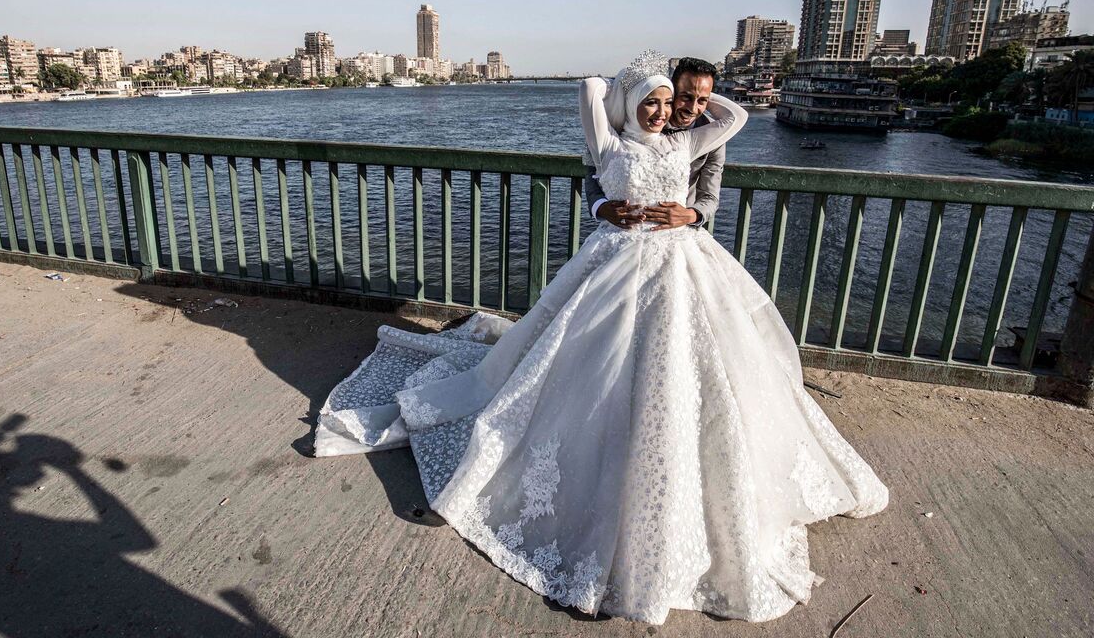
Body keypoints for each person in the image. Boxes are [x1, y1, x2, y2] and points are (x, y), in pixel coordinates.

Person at [316, 51, 888, 625]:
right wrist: (633, 114)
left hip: (684, 259)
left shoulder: (693, 141)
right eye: (668, 100)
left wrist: (692, 181)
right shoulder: (616, 141)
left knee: (701, 368)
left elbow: (719, 162)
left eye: (685, 101)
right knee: (584, 359)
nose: (676, 110)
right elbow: (595, 145)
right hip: (616, 259)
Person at [585, 57, 725, 232]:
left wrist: (691, 215)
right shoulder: (635, 119)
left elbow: (710, 196)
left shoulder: (713, 134)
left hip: (679, 233)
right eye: (685, 97)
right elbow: (594, 172)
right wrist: (601, 207)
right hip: (625, 232)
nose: (692, 108)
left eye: (702, 100)